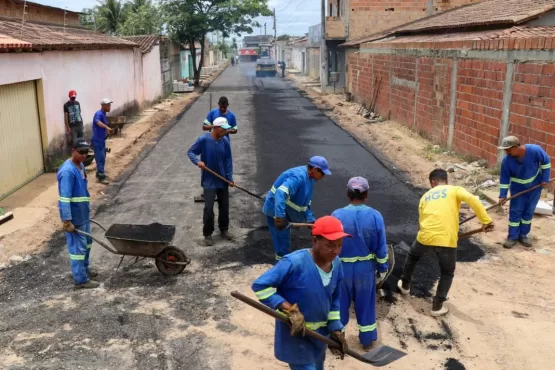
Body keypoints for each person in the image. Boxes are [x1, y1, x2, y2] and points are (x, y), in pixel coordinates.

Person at [252, 215, 350, 370]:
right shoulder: (294, 263)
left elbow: (334, 299)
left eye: (340, 245)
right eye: (330, 245)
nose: (336, 251)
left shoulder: (336, 264)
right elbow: (260, 286)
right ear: (315, 241)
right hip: (296, 338)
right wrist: (288, 309)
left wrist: (336, 327)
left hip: (319, 338)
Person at [397, 169, 494, 317]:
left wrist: (427, 236)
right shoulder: (455, 190)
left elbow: (421, 221)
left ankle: (404, 285)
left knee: (412, 256)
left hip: (425, 236)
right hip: (446, 240)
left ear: (432, 182)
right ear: (446, 180)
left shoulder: (426, 196)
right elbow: (474, 200)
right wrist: (486, 221)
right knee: (447, 272)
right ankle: (437, 306)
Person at [331, 176, 388, 350]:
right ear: (366, 195)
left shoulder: (336, 215)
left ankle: (335, 340)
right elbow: (381, 246)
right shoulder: (375, 216)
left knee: (338, 305)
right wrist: (382, 267)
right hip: (365, 270)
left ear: (348, 195)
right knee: (365, 305)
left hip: (341, 269)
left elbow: (330, 243)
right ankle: (367, 340)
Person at [262, 156, 331, 262]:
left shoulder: (310, 178)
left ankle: (282, 267)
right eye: (322, 173)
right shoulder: (298, 177)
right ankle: (281, 269)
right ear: (314, 169)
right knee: (282, 246)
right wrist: (279, 217)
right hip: (275, 213)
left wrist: (310, 219)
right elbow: (280, 193)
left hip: (285, 212)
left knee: (284, 243)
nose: (323, 176)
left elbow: (305, 203)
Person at [57, 139, 98, 289]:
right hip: (74, 217)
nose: (84, 155)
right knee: (77, 250)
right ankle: (80, 280)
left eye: (86, 152)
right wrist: (67, 220)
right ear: (73, 150)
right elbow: (64, 198)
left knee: (87, 245)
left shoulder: (80, 165)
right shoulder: (67, 171)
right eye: (81, 152)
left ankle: (85, 270)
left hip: (83, 215)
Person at [188, 117, 235, 246]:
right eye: (224, 129)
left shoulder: (225, 141)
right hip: (209, 180)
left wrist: (229, 178)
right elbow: (191, 152)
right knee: (208, 208)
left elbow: (228, 160)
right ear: (216, 128)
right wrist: (198, 161)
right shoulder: (203, 140)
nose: (226, 131)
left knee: (224, 206)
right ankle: (207, 234)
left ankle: (224, 230)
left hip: (223, 179)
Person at [497, 136, 551, 249]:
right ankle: (512, 237)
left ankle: (523, 235)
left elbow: (546, 163)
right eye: (505, 149)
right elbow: (504, 179)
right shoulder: (507, 161)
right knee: (516, 212)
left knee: (528, 212)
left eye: (508, 149)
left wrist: (545, 179)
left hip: (535, 187)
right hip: (517, 189)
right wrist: (502, 195)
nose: (506, 152)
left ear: (517, 146)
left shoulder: (535, 150)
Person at [197, 96, 238, 201]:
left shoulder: (231, 115)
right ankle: (207, 188)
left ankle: (222, 187)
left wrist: (227, 130)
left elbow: (235, 129)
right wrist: (215, 127)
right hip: (211, 142)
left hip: (223, 144)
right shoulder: (212, 113)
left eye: (224, 108)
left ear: (227, 106)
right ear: (218, 105)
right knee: (208, 164)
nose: (223, 109)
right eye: (221, 107)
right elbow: (204, 127)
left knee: (223, 164)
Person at [91, 98, 114, 185]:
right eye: (108, 105)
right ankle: (101, 177)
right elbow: (97, 122)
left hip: (101, 140)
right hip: (97, 140)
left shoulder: (103, 114)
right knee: (100, 158)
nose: (109, 107)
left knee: (103, 157)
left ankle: (99, 173)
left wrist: (107, 131)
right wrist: (106, 127)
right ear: (103, 106)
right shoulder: (99, 114)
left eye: (109, 105)